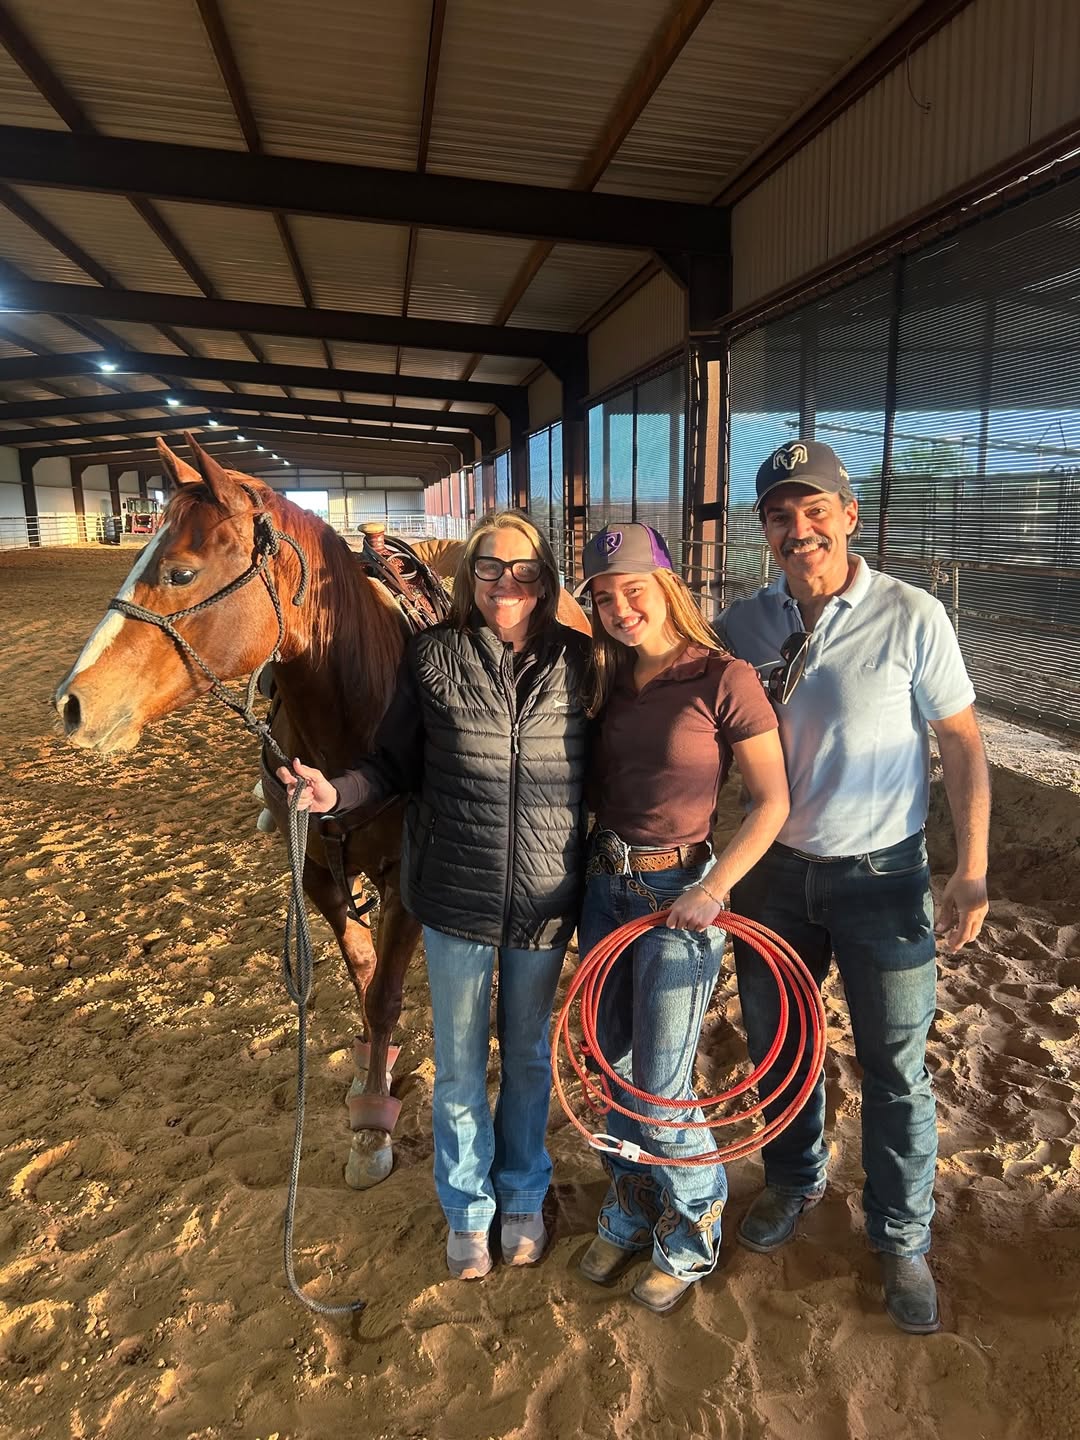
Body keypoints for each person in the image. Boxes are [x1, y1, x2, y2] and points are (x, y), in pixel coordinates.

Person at [720, 439, 990, 1335]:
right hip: (772, 878)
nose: (800, 529)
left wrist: (972, 868)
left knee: (896, 1067)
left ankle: (901, 1236)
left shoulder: (914, 616)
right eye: (779, 515)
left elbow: (961, 745)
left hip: (883, 877)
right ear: (765, 531)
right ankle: (795, 1181)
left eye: (814, 510)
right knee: (779, 1051)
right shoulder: (741, 626)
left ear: (849, 515)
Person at [277, 512, 590, 1281]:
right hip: (454, 896)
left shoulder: (583, 661)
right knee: (456, 1068)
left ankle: (521, 1193)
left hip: (544, 897)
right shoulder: (432, 655)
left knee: (524, 1060)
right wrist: (334, 791)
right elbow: (389, 766)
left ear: (544, 578)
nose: (505, 583)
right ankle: (466, 1209)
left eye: (521, 569)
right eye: (489, 568)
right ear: (468, 576)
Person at [573, 523, 790, 1314]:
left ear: (666, 585)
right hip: (604, 889)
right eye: (602, 596)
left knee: (662, 1087)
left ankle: (694, 1228)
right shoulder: (606, 678)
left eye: (633, 589)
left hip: (679, 898)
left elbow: (771, 802)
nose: (620, 607)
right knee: (615, 1070)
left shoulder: (724, 678)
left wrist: (716, 888)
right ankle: (633, 1201)